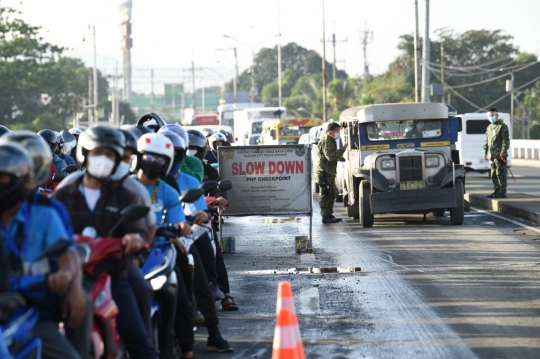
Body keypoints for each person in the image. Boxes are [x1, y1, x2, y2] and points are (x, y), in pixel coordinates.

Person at [53, 126, 157, 359]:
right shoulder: (66, 190)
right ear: (84, 153)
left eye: (110, 155)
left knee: (138, 339)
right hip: (69, 272)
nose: (103, 160)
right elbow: (50, 225)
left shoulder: (126, 192)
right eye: (98, 153)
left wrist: (134, 240)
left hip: (113, 273)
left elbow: (141, 231)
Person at [0, 142, 87, 359]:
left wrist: (65, 277)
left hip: (30, 311)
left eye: (3, 177)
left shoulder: (45, 213)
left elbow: (66, 255)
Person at [316, 122, 347, 223]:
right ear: (331, 131)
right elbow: (331, 157)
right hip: (324, 172)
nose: (338, 132)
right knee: (326, 193)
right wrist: (342, 149)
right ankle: (325, 216)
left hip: (329, 171)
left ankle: (329, 214)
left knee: (331, 193)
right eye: (337, 131)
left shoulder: (331, 140)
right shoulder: (327, 141)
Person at [483, 108, 510, 198]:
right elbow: (487, 141)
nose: (491, 117)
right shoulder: (489, 127)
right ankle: (496, 190)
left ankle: (502, 191)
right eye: (489, 116)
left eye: (493, 115)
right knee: (493, 173)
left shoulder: (502, 126)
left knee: (500, 173)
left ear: (497, 115)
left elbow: (505, 140)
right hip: (492, 154)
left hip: (499, 154)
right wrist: (485, 152)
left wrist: (503, 151)